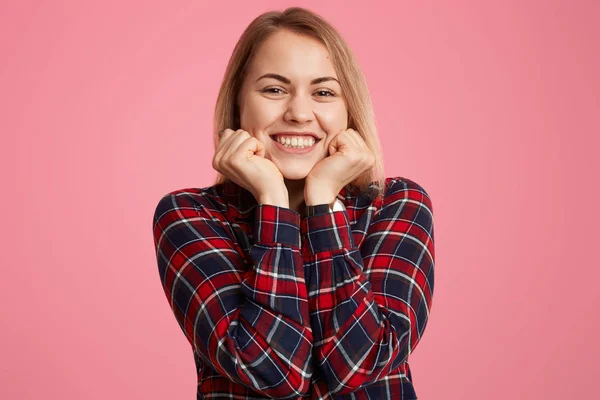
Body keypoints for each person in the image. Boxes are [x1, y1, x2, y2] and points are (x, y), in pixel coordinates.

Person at [152, 7, 435, 399]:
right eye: (274, 89)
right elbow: (272, 372)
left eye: (323, 92)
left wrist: (323, 204)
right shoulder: (189, 215)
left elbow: (363, 362)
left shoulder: (397, 205)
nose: (300, 113)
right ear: (238, 104)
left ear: (348, 110)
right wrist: (274, 204)